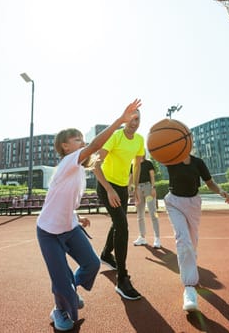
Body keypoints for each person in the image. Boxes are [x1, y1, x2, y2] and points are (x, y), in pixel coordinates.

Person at [36, 99, 141, 331]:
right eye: (77, 140)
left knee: (92, 264)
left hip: (69, 226)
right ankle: (61, 308)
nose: (83, 142)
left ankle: (67, 293)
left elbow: (64, 199)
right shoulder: (67, 162)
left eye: (83, 139)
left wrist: (77, 216)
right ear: (65, 146)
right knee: (61, 279)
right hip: (48, 232)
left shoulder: (79, 170)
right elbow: (94, 146)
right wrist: (120, 121)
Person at [164, 154, 229, 312]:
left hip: (193, 204)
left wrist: (221, 191)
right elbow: (157, 148)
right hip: (174, 202)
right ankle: (189, 287)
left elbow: (209, 182)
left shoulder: (198, 162)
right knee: (183, 241)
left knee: (192, 243)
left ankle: (190, 266)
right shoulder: (170, 158)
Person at [94, 106, 145, 301]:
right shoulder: (115, 136)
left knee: (118, 223)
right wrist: (108, 189)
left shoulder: (140, 140)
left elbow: (137, 164)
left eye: (138, 119)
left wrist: (134, 187)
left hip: (123, 187)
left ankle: (107, 254)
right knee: (123, 226)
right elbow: (95, 165)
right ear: (125, 120)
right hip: (107, 185)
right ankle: (122, 279)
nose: (135, 122)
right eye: (132, 118)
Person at [131, 155, 161, 249]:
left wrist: (153, 188)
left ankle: (157, 238)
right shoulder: (133, 165)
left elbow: (152, 176)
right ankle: (142, 237)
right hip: (138, 190)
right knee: (140, 215)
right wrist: (132, 191)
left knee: (154, 213)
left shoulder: (148, 163)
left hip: (148, 188)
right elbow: (131, 178)